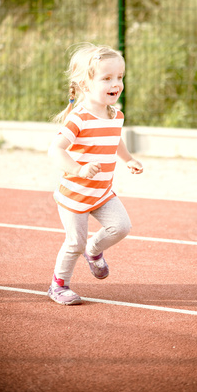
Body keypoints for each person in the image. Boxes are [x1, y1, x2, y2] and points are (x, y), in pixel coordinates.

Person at [47, 43, 143, 305]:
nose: (117, 83)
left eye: (120, 77)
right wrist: (78, 169)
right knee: (74, 244)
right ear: (85, 84)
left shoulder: (116, 115)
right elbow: (55, 150)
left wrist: (128, 159)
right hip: (75, 196)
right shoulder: (78, 118)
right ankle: (58, 285)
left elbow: (115, 140)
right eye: (107, 78)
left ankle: (95, 250)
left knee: (121, 227)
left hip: (101, 192)